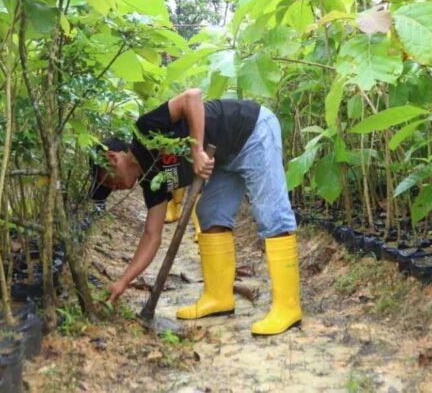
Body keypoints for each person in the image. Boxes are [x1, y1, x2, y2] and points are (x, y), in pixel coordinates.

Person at [90, 88, 302, 336]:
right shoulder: (152, 183)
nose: (112, 188)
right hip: (225, 157)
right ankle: (218, 297)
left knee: (271, 214)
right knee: (210, 212)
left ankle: (288, 308)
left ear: (112, 158)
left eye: (107, 181)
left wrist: (196, 150)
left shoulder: (146, 129)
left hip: (251, 130)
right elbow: (152, 236)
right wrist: (123, 281)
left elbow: (191, 96)